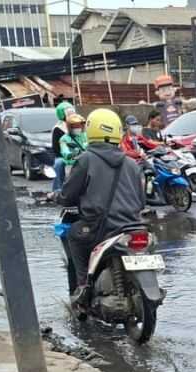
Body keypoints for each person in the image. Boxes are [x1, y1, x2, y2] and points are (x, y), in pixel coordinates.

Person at [57, 108, 147, 299]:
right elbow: (141, 201)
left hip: (99, 226)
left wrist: (56, 197)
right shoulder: (131, 163)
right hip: (132, 226)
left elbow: (68, 195)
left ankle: (83, 286)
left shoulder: (86, 159)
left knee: (73, 234)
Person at [51, 100, 75, 192]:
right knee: (59, 163)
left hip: (80, 153)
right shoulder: (58, 128)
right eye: (68, 113)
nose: (71, 115)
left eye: (72, 112)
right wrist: (67, 155)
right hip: (64, 155)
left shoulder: (79, 124)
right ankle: (57, 189)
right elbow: (56, 148)